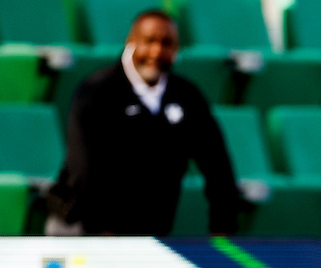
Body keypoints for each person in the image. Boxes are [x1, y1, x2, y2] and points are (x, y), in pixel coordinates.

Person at [46, 10, 239, 235]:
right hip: (82, 225)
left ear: (176, 50)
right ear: (131, 42)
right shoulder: (97, 92)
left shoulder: (188, 97)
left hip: (148, 233)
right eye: (149, 41)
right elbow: (84, 168)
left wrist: (224, 233)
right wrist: (101, 229)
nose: (157, 51)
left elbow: (218, 169)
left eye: (166, 43)